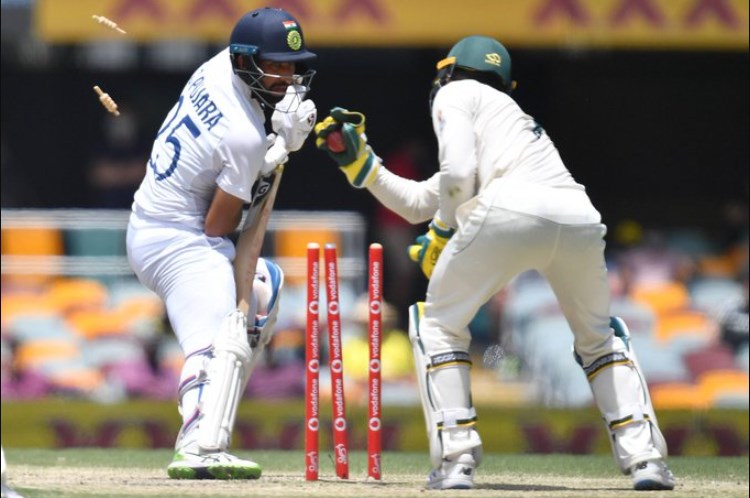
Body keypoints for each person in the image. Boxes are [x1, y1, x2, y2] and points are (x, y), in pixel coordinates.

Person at [314, 36, 674, 491]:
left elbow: (457, 178)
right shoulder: (509, 124)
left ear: (448, 71)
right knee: (599, 340)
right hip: (578, 216)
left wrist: (445, 230)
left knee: (438, 325)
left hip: (510, 210)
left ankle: (456, 460)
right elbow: (420, 201)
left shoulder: (454, 93)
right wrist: (362, 166)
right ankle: (647, 460)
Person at [126, 7, 317, 480]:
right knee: (216, 339)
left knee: (263, 292)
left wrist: (268, 152)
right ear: (244, 60)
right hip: (179, 238)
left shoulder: (214, 67)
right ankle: (198, 444)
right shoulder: (244, 136)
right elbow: (220, 227)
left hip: (159, 223)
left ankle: (214, 426)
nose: (287, 78)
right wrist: (275, 158)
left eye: (292, 65)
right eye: (274, 65)